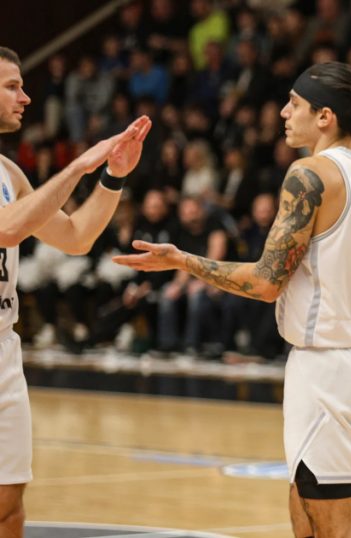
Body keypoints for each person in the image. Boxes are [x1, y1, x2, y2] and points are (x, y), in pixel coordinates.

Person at [113, 61, 351, 537]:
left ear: (325, 116)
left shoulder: (310, 175)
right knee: (305, 508)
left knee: (335, 526)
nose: (282, 112)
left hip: (328, 367)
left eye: (294, 104)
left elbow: (266, 282)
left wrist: (183, 261)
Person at [0, 46, 150, 536]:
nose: (25, 97)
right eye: (12, 87)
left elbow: (76, 236)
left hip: (4, 347)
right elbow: (7, 229)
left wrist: (112, 176)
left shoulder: (9, 173)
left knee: (9, 505)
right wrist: (77, 166)